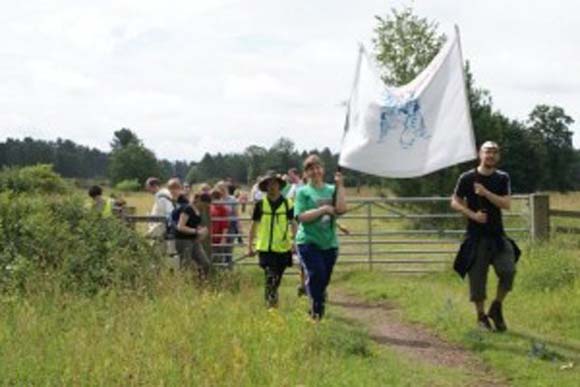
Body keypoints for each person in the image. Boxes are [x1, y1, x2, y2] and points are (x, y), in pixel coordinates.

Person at [451, 141, 521, 332]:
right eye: (487, 151)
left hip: (498, 235)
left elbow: (506, 204)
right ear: (479, 154)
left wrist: (485, 193)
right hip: (475, 237)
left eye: (494, 152)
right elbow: (455, 202)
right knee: (477, 280)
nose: (490, 155)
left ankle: (497, 307)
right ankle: (481, 317)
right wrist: (473, 215)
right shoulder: (466, 177)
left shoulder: (502, 178)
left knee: (508, 271)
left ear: (498, 156)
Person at [294, 155, 346, 320]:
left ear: (322, 170)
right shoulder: (303, 192)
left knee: (324, 279)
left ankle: (316, 304)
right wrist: (323, 209)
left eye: (318, 167)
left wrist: (340, 186)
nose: (315, 171)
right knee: (316, 273)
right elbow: (300, 217)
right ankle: (316, 314)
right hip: (308, 242)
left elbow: (341, 209)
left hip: (329, 243)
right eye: (311, 168)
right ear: (306, 172)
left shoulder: (331, 189)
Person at [247, 171, 297, 308]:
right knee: (270, 275)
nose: (272, 186)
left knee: (277, 276)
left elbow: (293, 223)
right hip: (265, 247)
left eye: (275, 183)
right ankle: (271, 303)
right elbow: (253, 225)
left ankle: (271, 297)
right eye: (269, 184)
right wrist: (249, 246)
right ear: (265, 187)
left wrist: (295, 242)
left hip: (283, 247)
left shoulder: (288, 204)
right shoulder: (260, 205)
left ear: (279, 186)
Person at [171, 191, 211, 279]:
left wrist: (201, 229)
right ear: (199, 200)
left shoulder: (198, 211)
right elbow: (180, 227)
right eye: (204, 204)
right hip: (183, 240)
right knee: (186, 265)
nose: (204, 207)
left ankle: (202, 283)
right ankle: (185, 286)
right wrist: (197, 231)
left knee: (205, 263)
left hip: (193, 240)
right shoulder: (187, 209)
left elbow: (192, 224)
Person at [210, 188, 230, 268]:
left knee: (218, 258)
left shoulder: (223, 209)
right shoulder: (210, 207)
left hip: (218, 237)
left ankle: (217, 274)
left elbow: (225, 225)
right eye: (214, 197)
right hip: (210, 237)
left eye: (217, 197)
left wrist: (223, 238)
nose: (215, 199)